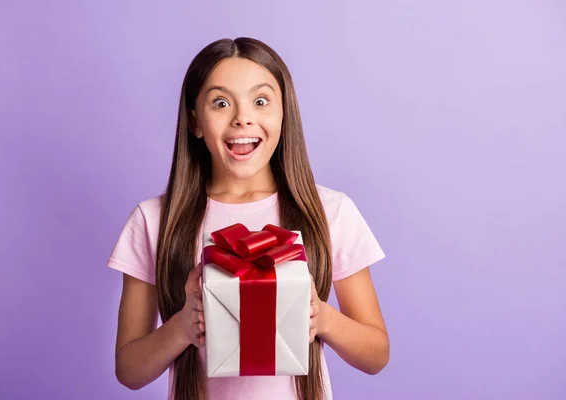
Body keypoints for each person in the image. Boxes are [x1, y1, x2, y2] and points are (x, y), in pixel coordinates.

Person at [106, 37, 389, 400]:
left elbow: (376, 354)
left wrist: (322, 319)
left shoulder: (329, 211)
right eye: (221, 103)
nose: (242, 117)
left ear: (284, 114)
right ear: (194, 121)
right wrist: (182, 328)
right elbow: (129, 370)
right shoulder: (154, 220)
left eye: (260, 101)